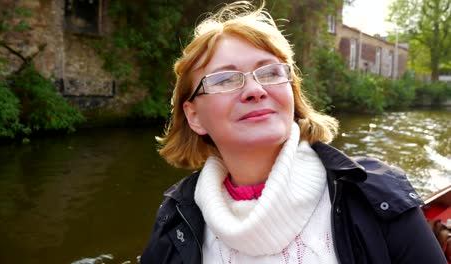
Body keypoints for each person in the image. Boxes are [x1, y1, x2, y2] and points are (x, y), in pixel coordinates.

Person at [140, 1, 447, 263]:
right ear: (194, 116)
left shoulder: (375, 195)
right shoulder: (174, 221)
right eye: (224, 79)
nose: (255, 90)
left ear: (292, 92)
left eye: (270, 72)